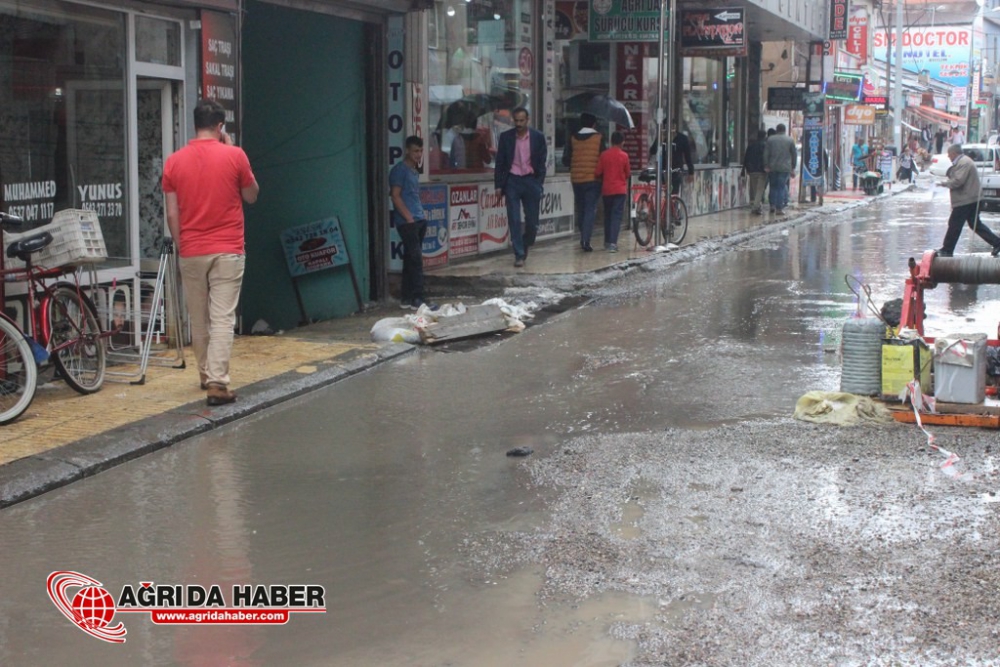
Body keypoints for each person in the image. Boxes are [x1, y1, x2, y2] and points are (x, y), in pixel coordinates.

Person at [162, 99, 259, 407]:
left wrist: (183, 245)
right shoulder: (235, 155)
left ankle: (205, 374)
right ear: (220, 127)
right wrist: (230, 149)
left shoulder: (174, 162)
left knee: (199, 317)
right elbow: (251, 195)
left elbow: (172, 213)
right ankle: (217, 382)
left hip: (191, 249)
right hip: (228, 248)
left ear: (195, 126)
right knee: (222, 317)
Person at [494, 106, 547, 268]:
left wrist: (538, 182)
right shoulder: (506, 137)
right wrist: (498, 185)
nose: (518, 124)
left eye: (522, 121)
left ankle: (525, 244)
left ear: (527, 120)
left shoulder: (538, 137)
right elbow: (500, 162)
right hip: (512, 181)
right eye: (516, 121)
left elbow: (542, 161)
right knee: (514, 219)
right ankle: (519, 254)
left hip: (531, 180)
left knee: (532, 222)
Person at [389, 135, 437, 310]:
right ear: (407, 150)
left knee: (410, 258)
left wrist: (420, 216)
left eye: (421, 151)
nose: (418, 154)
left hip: (418, 219)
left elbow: (413, 196)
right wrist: (408, 217)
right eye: (415, 151)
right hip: (407, 221)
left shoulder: (414, 172)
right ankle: (418, 297)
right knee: (416, 259)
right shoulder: (399, 170)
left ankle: (407, 297)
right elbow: (395, 196)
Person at [937, 144, 1000, 258]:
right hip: (971, 199)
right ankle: (997, 243)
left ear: (954, 153)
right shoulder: (963, 162)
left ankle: (947, 249)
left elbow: (958, 181)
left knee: (954, 224)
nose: (948, 157)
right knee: (975, 224)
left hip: (966, 200)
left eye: (949, 154)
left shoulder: (964, 162)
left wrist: (943, 184)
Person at [562, 112, 605, 251]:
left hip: (576, 178)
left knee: (581, 208)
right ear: (594, 124)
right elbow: (603, 158)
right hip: (593, 179)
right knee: (590, 209)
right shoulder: (599, 138)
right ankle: (585, 239)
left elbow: (566, 159)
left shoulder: (573, 137)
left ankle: (583, 234)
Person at [594, 131, 630, 252]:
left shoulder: (604, 155)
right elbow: (628, 173)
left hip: (607, 190)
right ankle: (613, 243)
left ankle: (607, 241)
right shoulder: (624, 156)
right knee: (616, 216)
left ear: (611, 141)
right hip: (620, 190)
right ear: (622, 142)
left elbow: (598, 172)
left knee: (608, 216)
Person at [650, 121, 695, 195]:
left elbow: (688, 156)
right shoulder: (661, 137)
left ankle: (672, 200)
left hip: (676, 170)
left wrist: (691, 172)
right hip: (663, 170)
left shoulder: (682, 139)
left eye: (672, 127)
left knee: (673, 193)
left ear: (675, 127)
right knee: (663, 193)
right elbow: (652, 151)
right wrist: (660, 140)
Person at [763, 123, 796, 216]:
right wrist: (793, 167)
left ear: (777, 130)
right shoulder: (790, 140)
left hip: (772, 167)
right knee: (781, 187)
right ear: (784, 130)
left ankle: (772, 205)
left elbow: (766, 153)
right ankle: (779, 208)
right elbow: (794, 154)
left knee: (773, 186)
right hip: (785, 168)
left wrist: (766, 165)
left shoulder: (770, 139)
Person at [741, 130, 767, 214]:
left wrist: (746, 169)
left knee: (755, 189)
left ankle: (757, 205)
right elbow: (765, 158)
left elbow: (746, 157)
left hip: (752, 170)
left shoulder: (751, 146)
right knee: (760, 189)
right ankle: (756, 206)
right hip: (761, 171)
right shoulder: (765, 146)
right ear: (765, 136)